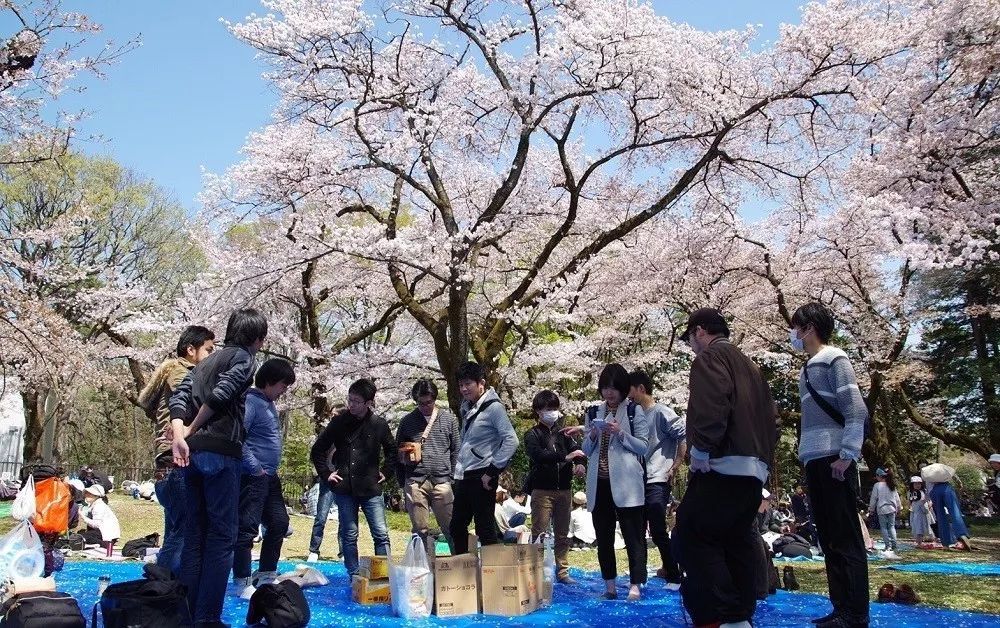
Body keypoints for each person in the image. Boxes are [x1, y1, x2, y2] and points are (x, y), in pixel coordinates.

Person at [673, 308, 777, 628]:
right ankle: (739, 616)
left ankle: (719, 613)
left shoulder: (710, 359)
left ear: (700, 331)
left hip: (723, 462)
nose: (691, 345)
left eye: (691, 338)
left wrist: (701, 449)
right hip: (754, 467)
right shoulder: (752, 367)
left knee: (692, 534)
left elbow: (712, 404)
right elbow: (772, 421)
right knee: (736, 538)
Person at [170, 308, 267, 628]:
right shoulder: (243, 359)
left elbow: (180, 395)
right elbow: (222, 394)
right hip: (221, 453)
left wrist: (179, 431)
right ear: (256, 338)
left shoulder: (207, 360)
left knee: (196, 535)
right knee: (222, 537)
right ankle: (208, 617)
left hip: (193, 457)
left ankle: (187, 613)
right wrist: (193, 428)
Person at [791, 302, 869, 628]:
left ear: (808, 327)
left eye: (796, 327)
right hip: (814, 459)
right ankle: (839, 608)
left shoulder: (835, 358)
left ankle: (855, 613)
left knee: (846, 536)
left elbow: (855, 409)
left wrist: (847, 454)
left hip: (835, 459)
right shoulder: (806, 368)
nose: (793, 334)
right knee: (828, 538)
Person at [137, 325, 215, 576]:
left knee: (175, 525)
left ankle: (163, 585)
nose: (212, 355)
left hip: (168, 456)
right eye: (209, 350)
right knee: (183, 526)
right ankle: (164, 584)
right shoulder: (180, 371)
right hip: (175, 456)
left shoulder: (175, 372)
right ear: (190, 350)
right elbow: (202, 399)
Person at [309, 378, 394, 580]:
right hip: (345, 485)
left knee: (380, 533)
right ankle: (353, 573)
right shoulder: (339, 422)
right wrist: (326, 473)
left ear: (368, 403)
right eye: (350, 399)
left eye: (356, 401)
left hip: (371, 486)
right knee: (349, 534)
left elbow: (392, 451)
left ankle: (383, 574)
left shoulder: (378, 424)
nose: (351, 404)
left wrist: (386, 472)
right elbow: (318, 449)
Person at [582, 363, 649, 602]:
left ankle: (635, 585)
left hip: (627, 485)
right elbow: (586, 450)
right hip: (599, 484)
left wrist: (621, 432)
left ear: (622, 389)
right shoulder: (593, 412)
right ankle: (609, 586)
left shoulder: (633, 411)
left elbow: (643, 446)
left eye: (614, 388)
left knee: (633, 536)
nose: (609, 393)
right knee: (604, 536)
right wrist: (591, 434)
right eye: (605, 388)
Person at [232, 359, 296, 598]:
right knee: (247, 528)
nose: (284, 391)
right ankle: (241, 580)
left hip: (270, 476)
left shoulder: (268, 404)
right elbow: (239, 438)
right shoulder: (251, 403)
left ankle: (267, 573)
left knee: (279, 522)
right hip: (253, 476)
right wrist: (255, 467)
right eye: (282, 385)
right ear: (268, 382)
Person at [449, 361, 519, 555]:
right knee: (456, 526)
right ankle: (463, 570)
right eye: (461, 384)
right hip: (464, 474)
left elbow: (511, 441)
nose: (463, 389)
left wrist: (492, 471)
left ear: (481, 383)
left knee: (485, 528)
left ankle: (493, 576)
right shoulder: (467, 407)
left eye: (468, 384)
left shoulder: (494, 408)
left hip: (482, 475)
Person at [629, 369, 685, 589]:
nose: (628, 397)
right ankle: (639, 577)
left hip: (657, 477)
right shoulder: (634, 415)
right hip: (636, 479)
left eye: (630, 392)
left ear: (641, 389)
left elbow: (682, 434)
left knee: (658, 527)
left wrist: (677, 464)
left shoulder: (661, 412)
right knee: (637, 529)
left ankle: (673, 574)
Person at [524, 389, 585, 585]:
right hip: (542, 490)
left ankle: (563, 571)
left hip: (564, 489)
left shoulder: (564, 434)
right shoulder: (532, 434)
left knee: (562, 533)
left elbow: (578, 451)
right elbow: (538, 455)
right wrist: (565, 457)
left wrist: (580, 463)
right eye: (546, 409)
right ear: (537, 411)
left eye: (554, 408)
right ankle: (537, 569)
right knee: (539, 532)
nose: (551, 412)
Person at [395, 378, 460, 556]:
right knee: (419, 529)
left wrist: (452, 477)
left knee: (450, 528)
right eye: (421, 403)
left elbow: (456, 449)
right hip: (415, 481)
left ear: (435, 399)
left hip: (442, 480)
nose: (425, 406)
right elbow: (397, 452)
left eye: (428, 402)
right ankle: (423, 567)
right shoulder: (407, 421)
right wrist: (403, 480)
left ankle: (459, 563)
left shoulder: (448, 419)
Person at [921, 463, 972, 551]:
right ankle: (961, 533)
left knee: (941, 517)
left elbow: (928, 489)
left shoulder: (929, 477)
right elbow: (954, 475)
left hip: (935, 491)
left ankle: (946, 543)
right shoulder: (943, 470)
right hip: (946, 488)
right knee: (955, 511)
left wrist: (927, 499)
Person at [867, 468, 901, 558]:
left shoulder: (877, 485)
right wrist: (899, 507)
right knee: (891, 526)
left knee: (884, 527)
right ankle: (894, 544)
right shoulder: (892, 485)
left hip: (882, 509)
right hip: (892, 508)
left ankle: (887, 545)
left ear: (879, 476)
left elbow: (873, 498)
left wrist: (871, 509)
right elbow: (897, 498)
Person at [80, 485, 120, 556]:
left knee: (81, 537)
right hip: (102, 532)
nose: (87, 495)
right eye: (87, 493)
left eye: (90, 494)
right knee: (80, 535)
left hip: (106, 534)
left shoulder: (99, 506)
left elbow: (96, 525)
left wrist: (83, 517)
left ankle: (105, 544)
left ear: (97, 496)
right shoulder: (94, 505)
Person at [907, 476, 933, 547]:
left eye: (919, 484)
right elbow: (909, 501)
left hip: (924, 511)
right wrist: (909, 507)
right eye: (915, 484)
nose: (917, 485)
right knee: (918, 527)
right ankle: (919, 542)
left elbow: (929, 500)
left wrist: (929, 504)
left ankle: (928, 539)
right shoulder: (910, 492)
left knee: (925, 526)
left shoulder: (924, 491)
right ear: (912, 485)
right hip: (916, 512)